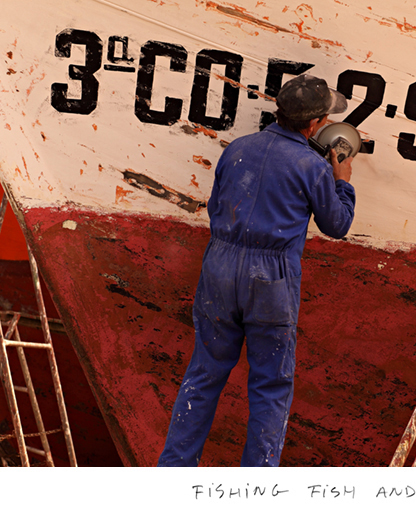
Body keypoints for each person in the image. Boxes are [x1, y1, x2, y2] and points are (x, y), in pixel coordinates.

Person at [157, 74, 356, 467]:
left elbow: (217, 207)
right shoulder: (312, 167)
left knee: (204, 373)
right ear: (315, 125)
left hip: (219, 264)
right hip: (271, 278)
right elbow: (337, 225)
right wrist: (343, 183)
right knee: (270, 385)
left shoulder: (237, 149)